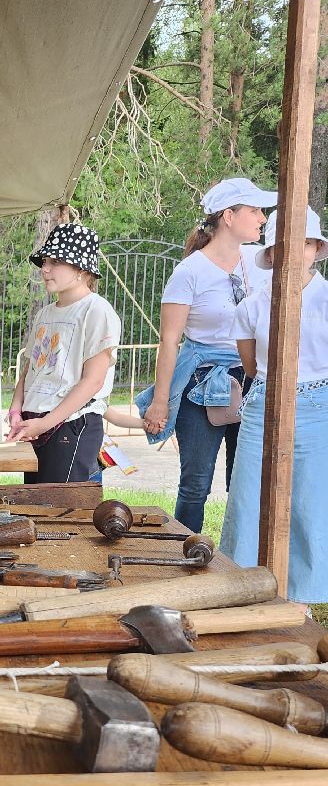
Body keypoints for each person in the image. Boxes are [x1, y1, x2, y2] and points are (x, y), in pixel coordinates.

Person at [136, 178, 276, 531]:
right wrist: (161, 400)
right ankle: (183, 561)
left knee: (244, 482)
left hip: (251, 380)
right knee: (196, 484)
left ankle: (241, 561)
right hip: (202, 383)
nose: (263, 218)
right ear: (229, 216)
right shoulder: (189, 272)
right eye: (255, 210)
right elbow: (169, 341)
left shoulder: (257, 261)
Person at [220, 207, 328, 602]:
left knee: (311, 500)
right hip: (263, 403)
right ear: (271, 253)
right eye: (283, 244)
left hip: (319, 406)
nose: (294, 252)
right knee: (249, 496)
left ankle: (301, 598)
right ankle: (243, 586)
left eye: (303, 243)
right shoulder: (253, 303)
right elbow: (251, 365)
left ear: (316, 249)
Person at [6, 223, 120, 483]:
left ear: (81, 269)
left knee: (62, 514)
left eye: (56, 261)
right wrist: (16, 412)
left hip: (72, 424)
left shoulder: (97, 310)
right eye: (45, 261)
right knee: (35, 510)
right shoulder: (44, 313)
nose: (45, 269)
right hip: (34, 424)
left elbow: (93, 381)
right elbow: (30, 370)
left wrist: (46, 423)